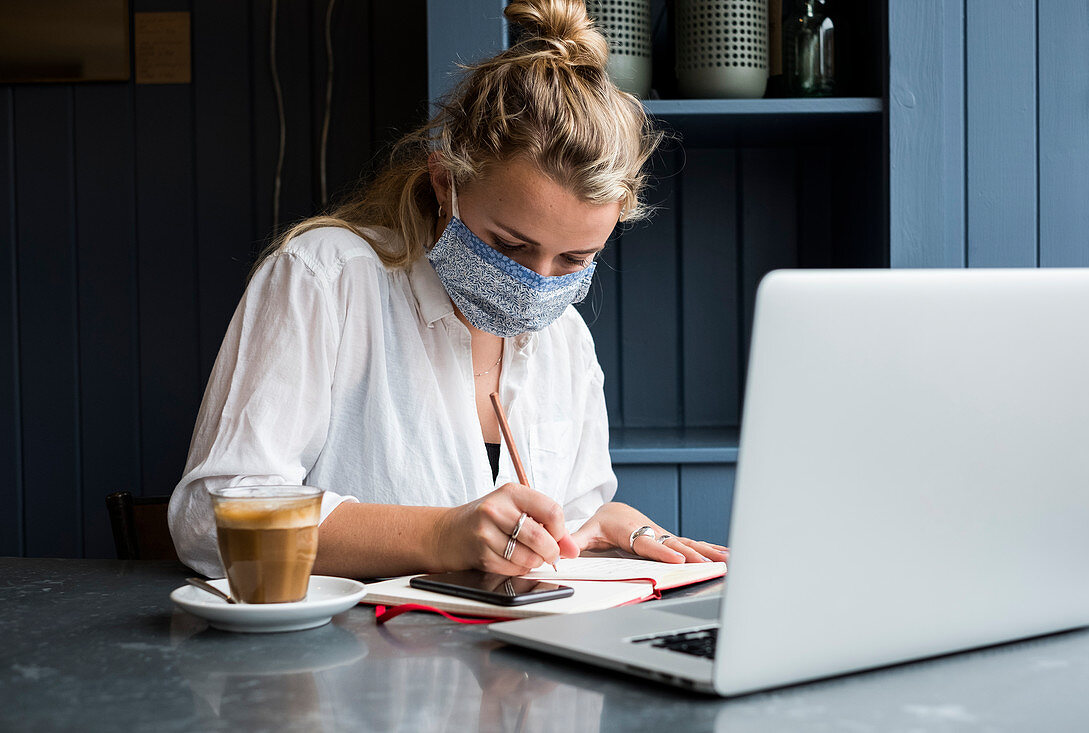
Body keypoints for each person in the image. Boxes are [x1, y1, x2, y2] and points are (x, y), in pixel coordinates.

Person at [168, 0, 728, 579]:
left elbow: (559, 535)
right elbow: (211, 520)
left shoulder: (566, 341)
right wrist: (438, 535)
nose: (537, 282)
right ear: (445, 184)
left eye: (574, 259)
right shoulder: (327, 278)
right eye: (510, 245)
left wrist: (597, 527)